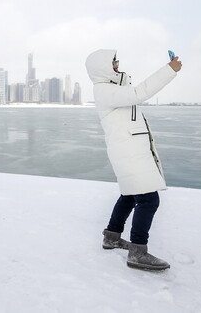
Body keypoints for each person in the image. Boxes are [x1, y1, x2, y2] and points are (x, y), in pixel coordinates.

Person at [85, 49, 182, 271]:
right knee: (149, 200)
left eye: (116, 61)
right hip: (127, 152)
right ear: (103, 68)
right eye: (113, 62)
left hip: (130, 150)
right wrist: (169, 70)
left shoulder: (115, 88)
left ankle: (111, 237)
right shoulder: (105, 90)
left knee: (129, 195)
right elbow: (139, 93)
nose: (117, 64)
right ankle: (138, 252)